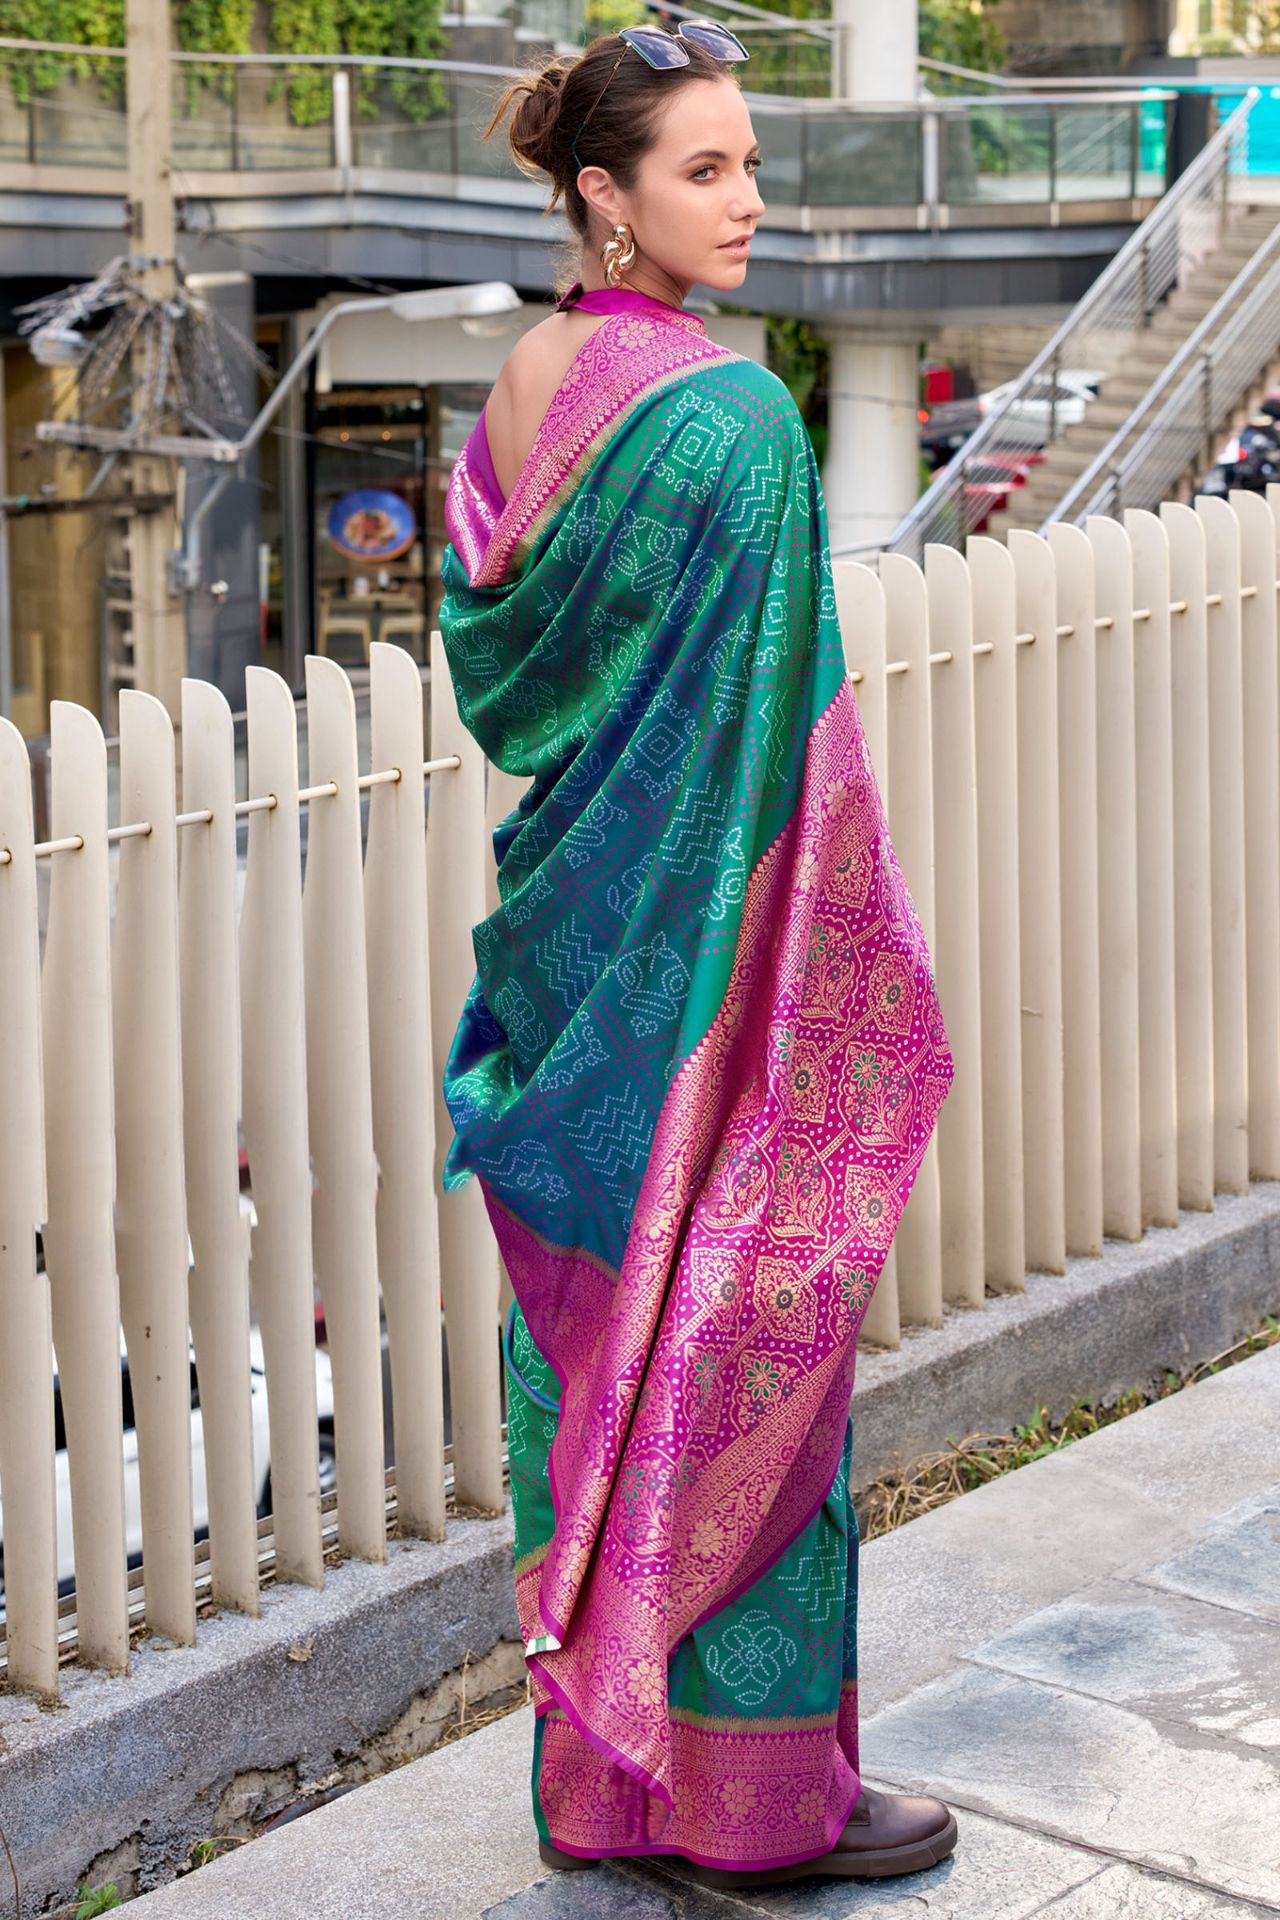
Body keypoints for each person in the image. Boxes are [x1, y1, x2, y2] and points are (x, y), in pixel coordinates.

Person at [436, 22, 959, 1890]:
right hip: (707, 1001)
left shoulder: (521, 387)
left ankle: (601, 1796)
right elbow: (767, 754)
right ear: (606, 194)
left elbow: (504, 678)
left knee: (591, 1359)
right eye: (707, 171)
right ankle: (753, 1811)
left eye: (748, 165)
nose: (747, 201)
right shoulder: (729, 420)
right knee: (750, 1345)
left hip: (572, 974)